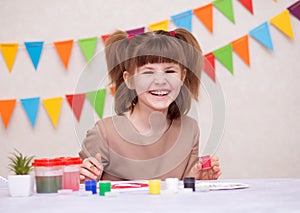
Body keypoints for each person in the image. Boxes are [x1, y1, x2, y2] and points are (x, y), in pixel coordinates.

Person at [79, 28, 222, 181]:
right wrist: (82, 179)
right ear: (129, 80)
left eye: (170, 71)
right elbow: (79, 190)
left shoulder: (189, 129)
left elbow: (182, 196)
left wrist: (198, 179)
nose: (160, 81)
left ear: (182, 77)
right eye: (148, 72)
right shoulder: (104, 134)